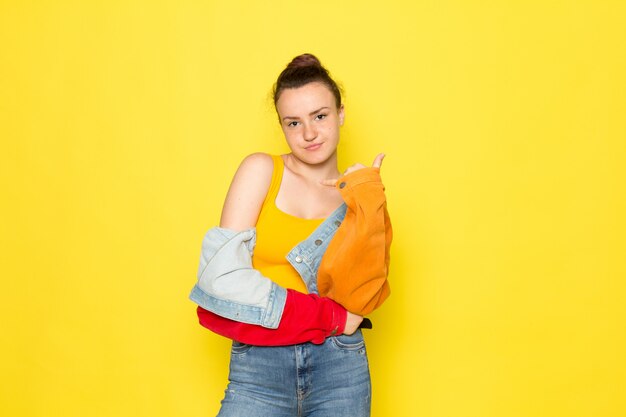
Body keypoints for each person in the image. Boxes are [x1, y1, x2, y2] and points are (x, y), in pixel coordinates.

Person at [189, 53, 392, 416]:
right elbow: (220, 280)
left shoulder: (355, 193)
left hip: (340, 367)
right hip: (259, 367)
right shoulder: (261, 170)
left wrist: (369, 200)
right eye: (293, 122)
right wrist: (324, 317)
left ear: (341, 114)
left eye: (320, 116)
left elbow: (363, 298)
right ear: (281, 127)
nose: (309, 133)